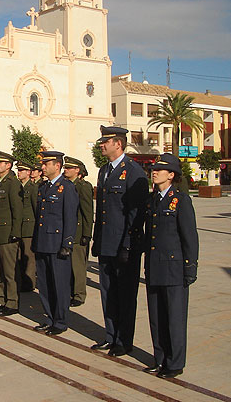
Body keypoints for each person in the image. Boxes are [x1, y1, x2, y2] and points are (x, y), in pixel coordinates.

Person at [91, 126, 149, 357]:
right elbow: (103, 210)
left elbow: (136, 214)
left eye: (106, 142)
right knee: (108, 293)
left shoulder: (133, 171)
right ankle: (110, 335)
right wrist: (98, 240)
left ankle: (124, 340)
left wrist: (128, 244)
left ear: (118, 144)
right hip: (106, 243)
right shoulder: (104, 171)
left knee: (125, 295)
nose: (101, 145)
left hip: (125, 246)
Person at [143, 154, 199, 379]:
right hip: (155, 267)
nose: (154, 172)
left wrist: (190, 267)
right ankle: (160, 358)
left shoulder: (180, 200)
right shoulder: (153, 199)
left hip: (174, 268)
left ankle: (175, 363)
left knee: (174, 318)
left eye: (159, 169)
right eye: (153, 169)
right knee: (156, 317)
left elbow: (189, 237)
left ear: (171, 175)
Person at [32, 151, 79, 335]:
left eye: (46, 164)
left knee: (59, 285)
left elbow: (70, 217)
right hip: (43, 241)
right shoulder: (43, 187)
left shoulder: (66, 187)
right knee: (44, 284)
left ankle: (60, 321)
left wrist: (67, 243)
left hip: (57, 243)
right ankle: (49, 317)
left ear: (57, 165)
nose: (42, 167)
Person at [0, 151, 23, 317]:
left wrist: (16, 232)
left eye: (0, 162)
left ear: (8, 165)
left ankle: (12, 303)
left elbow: (17, 210)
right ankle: (1, 300)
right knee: (0, 271)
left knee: (9, 271)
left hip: (8, 233)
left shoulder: (12, 183)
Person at [63, 156, 94, 306]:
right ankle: (69, 292)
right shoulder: (65, 185)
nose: (65, 170)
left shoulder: (83, 186)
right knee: (67, 266)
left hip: (78, 232)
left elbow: (87, 212)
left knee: (78, 266)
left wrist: (87, 234)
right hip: (67, 232)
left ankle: (79, 294)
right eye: (65, 167)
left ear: (77, 171)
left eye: (69, 168)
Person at [16, 160, 37, 292]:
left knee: (28, 256)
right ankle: (21, 280)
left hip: (29, 227)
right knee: (19, 256)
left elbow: (36, 209)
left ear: (28, 173)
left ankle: (29, 283)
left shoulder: (33, 188)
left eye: (21, 170)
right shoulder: (18, 187)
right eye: (18, 170)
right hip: (19, 226)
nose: (19, 172)